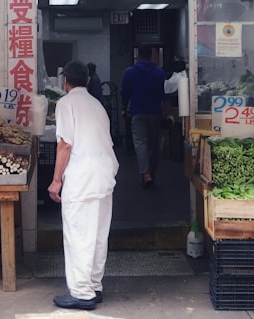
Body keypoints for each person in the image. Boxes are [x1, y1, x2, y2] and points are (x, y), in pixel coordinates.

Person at [48, 60, 119, 311]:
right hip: (103, 175)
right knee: (98, 235)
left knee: (79, 234)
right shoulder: (96, 104)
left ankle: (81, 293)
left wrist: (56, 180)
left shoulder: (66, 103)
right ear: (88, 80)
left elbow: (65, 144)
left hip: (82, 178)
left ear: (64, 80)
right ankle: (94, 286)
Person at [121, 46, 167, 188]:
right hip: (155, 113)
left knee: (141, 143)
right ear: (151, 56)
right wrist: (167, 112)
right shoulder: (159, 72)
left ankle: (145, 174)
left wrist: (124, 108)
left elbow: (124, 92)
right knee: (154, 144)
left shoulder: (130, 72)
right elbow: (165, 93)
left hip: (137, 113)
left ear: (138, 56)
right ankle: (152, 172)